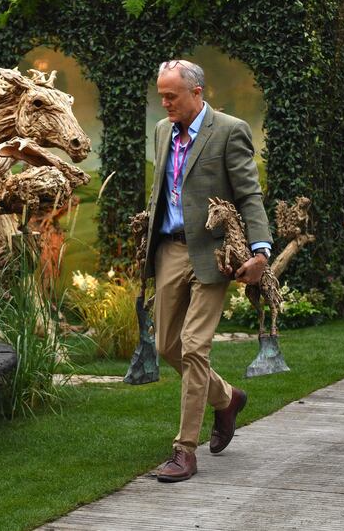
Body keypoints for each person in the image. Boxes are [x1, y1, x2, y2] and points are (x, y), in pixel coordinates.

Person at [144, 59, 272, 482]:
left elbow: (249, 194)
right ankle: (228, 398)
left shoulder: (229, 130)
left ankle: (185, 451)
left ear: (196, 93)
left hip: (215, 257)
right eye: (161, 95)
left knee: (194, 348)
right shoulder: (164, 130)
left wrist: (260, 252)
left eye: (171, 96)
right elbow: (165, 190)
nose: (164, 103)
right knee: (167, 346)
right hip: (170, 251)